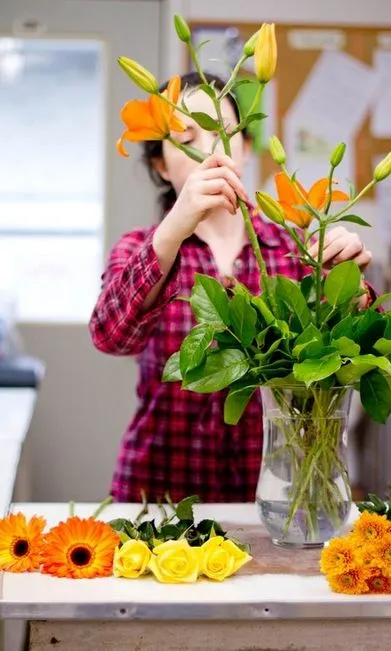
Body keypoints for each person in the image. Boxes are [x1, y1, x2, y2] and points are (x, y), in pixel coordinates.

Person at [89, 72, 373, 504]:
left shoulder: (297, 246)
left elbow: (354, 355)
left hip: (280, 494)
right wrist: (170, 236)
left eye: (222, 130)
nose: (208, 149)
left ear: (243, 145)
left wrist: (351, 291)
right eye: (186, 135)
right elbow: (110, 337)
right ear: (161, 165)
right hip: (158, 494)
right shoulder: (139, 247)